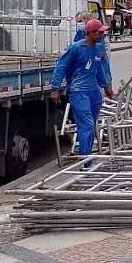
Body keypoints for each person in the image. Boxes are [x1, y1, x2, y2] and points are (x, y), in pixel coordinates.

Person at [51, 19, 114, 167]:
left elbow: (98, 69)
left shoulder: (98, 48)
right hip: (79, 92)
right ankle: (86, 161)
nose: (102, 35)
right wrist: (55, 89)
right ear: (90, 32)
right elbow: (61, 67)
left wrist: (105, 86)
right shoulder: (75, 48)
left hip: (94, 93)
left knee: (90, 126)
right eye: (99, 33)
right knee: (86, 126)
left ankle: (85, 156)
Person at [74, 11, 112, 87]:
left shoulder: (97, 33)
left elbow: (101, 53)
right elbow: (75, 48)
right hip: (88, 70)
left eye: (80, 21)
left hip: (102, 68)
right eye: (77, 22)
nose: (78, 24)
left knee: (106, 90)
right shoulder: (79, 33)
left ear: (87, 20)